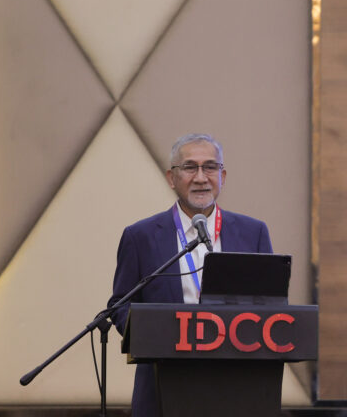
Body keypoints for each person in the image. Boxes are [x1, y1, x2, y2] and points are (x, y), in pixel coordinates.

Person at [107, 133, 273, 416]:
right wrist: (156, 336)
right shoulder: (140, 236)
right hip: (163, 384)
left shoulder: (253, 232)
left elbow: (270, 304)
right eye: (189, 167)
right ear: (171, 178)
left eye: (210, 167)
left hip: (236, 385)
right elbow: (120, 305)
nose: (200, 177)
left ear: (222, 176)